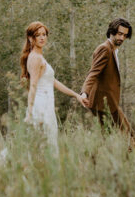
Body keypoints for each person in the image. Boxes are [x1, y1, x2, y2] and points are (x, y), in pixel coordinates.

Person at [20, 21, 87, 152]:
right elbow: (33, 86)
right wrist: (30, 113)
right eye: (37, 35)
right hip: (40, 107)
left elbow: (53, 82)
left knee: (48, 144)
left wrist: (76, 95)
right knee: (41, 146)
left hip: (48, 106)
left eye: (44, 34)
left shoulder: (40, 56)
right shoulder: (35, 58)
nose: (42, 38)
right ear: (30, 38)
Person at [81, 17, 135, 148]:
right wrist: (84, 93)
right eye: (119, 34)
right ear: (111, 32)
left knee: (108, 138)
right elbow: (93, 72)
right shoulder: (105, 49)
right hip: (102, 103)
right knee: (129, 137)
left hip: (110, 102)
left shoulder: (113, 49)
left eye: (125, 35)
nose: (122, 38)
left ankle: (103, 163)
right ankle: (98, 163)